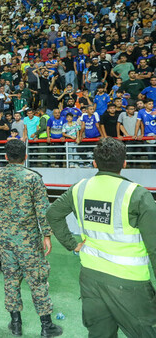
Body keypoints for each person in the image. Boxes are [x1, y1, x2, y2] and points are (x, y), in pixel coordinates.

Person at [47, 137, 156, 338]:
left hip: (91, 277)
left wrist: (72, 245)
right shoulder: (138, 194)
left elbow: (53, 213)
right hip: (130, 282)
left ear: (94, 163)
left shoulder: (79, 188)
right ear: (125, 163)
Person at [0, 139, 63, 337]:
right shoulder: (33, 178)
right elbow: (43, 209)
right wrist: (47, 234)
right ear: (25, 156)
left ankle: (16, 324)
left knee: (10, 279)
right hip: (29, 240)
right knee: (37, 280)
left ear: (5, 157)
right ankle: (46, 326)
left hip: (4, 239)